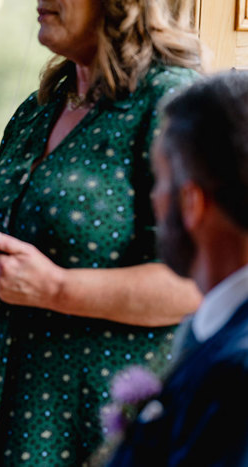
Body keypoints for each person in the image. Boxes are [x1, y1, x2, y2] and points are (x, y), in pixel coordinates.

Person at [0, 0, 205, 464]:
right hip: (7, 421)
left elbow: (196, 284)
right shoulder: (37, 110)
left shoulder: (174, 103)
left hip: (104, 428)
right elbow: (30, 288)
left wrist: (56, 287)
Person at [106, 71, 248, 466]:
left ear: (191, 203)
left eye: (159, 181)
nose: (153, 199)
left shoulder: (236, 374)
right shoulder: (210, 330)